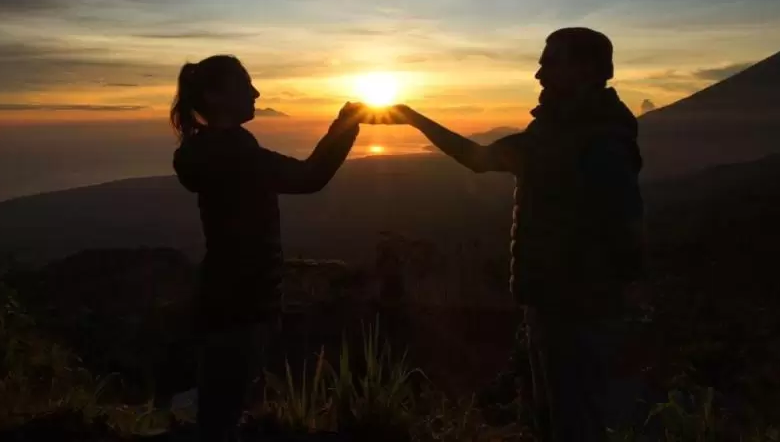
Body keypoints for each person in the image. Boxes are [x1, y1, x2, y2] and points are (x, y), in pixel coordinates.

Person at [377, 28, 645, 441]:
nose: (538, 74)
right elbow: (480, 159)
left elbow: (620, 227)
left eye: (550, 62)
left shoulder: (591, 141)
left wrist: (590, 296)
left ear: (588, 70)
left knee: (576, 422)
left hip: (576, 309)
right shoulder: (558, 133)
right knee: (557, 418)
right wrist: (411, 117)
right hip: (555, 305)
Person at [171, 55, 364, 442]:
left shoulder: (211, 151)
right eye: (245, 84)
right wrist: (347, 123)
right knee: (221, 418)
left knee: (221, 408)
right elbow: (310, 177)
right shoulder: (236, 155)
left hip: (226, 299)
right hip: (240, 304)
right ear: (216, 95)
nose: (256, 92)